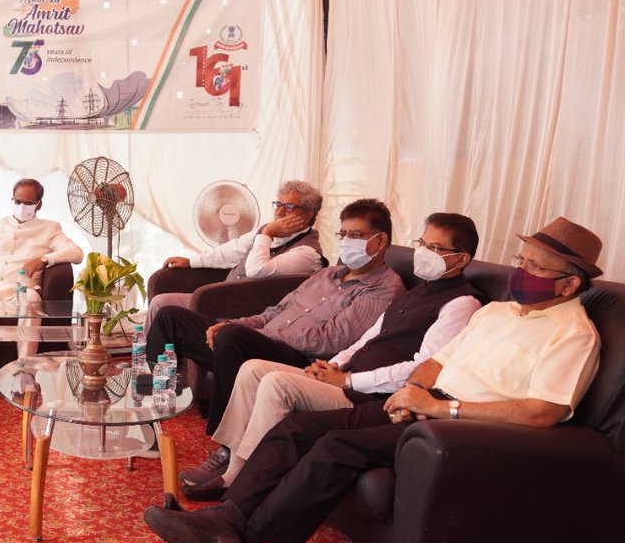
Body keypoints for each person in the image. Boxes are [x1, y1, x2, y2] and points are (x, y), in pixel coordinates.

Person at [143, 217, 603, 543]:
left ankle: (230, 538)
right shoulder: (500, 312)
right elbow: (436, 361)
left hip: (463, 428)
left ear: (570, 284)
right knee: (295, 427)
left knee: (335, 447)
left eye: (537, 267)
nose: (522, 272)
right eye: (521, 260)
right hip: (422, 404)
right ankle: (224, 524)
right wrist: (417, 391)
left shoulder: (574, 335)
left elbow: (544, 411)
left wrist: (443, 409)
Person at [180, 213, 484, 500]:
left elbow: (422, 368)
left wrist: (349, 379)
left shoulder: (462, 304)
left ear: (461, 258)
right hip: (344, 376)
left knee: (276, 383)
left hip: (372, 397)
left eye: (435, 247)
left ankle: (238, 479)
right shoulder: (417, 292)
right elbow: (369, 338)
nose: (424, 253)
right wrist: (333, 364)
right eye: (422, 244)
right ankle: (229, 457)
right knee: (253, 369)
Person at [148, 198, 405, 434]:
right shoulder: (329, 274)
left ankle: (220, 441)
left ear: (380, 241)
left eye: (356, 235)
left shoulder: (382, 289)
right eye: (343, 234)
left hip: (300, 360)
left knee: (232, 338)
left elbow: (330, 341)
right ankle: (155, 403)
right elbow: (275, 312)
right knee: (171, 316)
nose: (347, 241)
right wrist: (232, 324)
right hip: (260, 341)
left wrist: (251, 333)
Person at [0, 178, 83, 401]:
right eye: (17, 201)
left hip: (22, 290)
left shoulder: (50, 228)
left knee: (32, 301)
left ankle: (24, 374)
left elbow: (76, 252)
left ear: (38, 205)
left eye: (27, 203)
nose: (21, 207)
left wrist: (44, 259)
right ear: (12, 200)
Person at [146, 180, 327, 332]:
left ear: (308, 214)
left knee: (161, 303)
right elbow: (234, 249)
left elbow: (257, 270)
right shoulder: (266, 231)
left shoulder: (307, 253)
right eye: (278, 204)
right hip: (222, 298)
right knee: (159, 301)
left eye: (289, 206)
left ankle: (151, 363)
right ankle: (155, 363)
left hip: (248, 311)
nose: (280, 211)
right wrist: (191, 261)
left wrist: (268, 233)